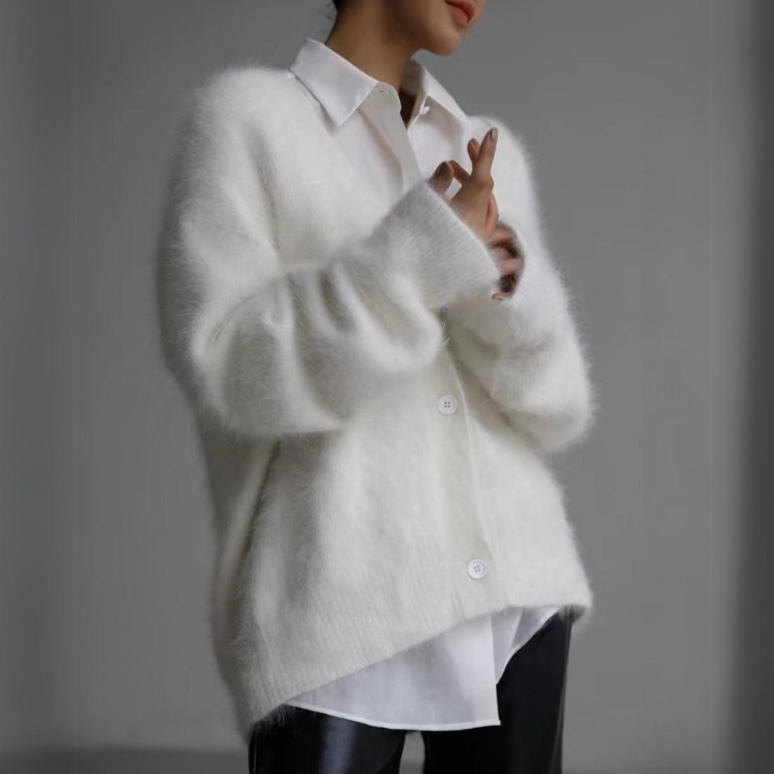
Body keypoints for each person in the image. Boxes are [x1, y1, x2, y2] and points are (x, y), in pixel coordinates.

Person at [155, 0, 598, 772]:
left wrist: (499, 279)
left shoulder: (478, 146)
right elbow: (230, 372)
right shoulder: (246, 122)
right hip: (338, 605)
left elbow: (556, 403)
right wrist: (422, 255)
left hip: (516, 600)